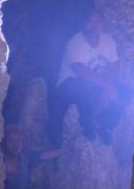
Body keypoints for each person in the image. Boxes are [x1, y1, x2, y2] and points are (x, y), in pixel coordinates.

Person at [48, 10, 122, 145]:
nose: (93, 25)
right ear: (83, 23)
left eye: (97, 21)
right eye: (90, 21)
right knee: (84, 88)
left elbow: (115, 66)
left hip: (98, 83)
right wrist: (106, 86)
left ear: (102, 23)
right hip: (68, 83)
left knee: (126, 92)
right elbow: (80, 71)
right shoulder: (75, 43)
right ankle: (86, 125)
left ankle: (103, 124)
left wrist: (109, 87)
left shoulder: (108, 41)